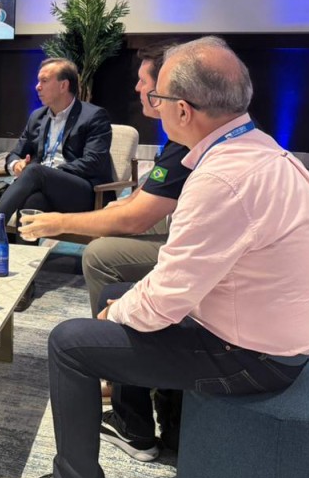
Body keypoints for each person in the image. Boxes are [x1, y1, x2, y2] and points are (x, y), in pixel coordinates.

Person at [1, 37, 309, 478]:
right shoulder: (257, 149)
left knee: (70, 343)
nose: (147, 100)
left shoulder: (221, 179)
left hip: (253, 355)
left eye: (155, 95)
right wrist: (119, 307)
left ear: (181, 110)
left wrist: (114, 315)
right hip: (269, 332)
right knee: (115, 294)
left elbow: (166, 299)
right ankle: (135, 428)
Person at [19, 42, 187, 307]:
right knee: (32, 198)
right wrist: (120, 205)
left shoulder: (93, 116)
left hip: (83, 189)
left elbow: (131, 213)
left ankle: (113, 322)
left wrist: (59, 223)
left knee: (97, 251)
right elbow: (149, 190)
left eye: (143, 81)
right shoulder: (180, 140)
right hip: (172, 218)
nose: (137, 88)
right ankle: (16, 274)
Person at [0, 57, 113, 235]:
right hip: (42, 186)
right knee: (33, 203)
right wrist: (16, 165)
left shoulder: (93, 116)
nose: (37, 86)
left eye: (44, 81)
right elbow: (15, 154)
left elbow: (94, 161)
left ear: (63, 86)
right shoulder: (37, 117)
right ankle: (19, 250)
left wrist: (50, 173)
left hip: (84, 190)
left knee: (35, 171)